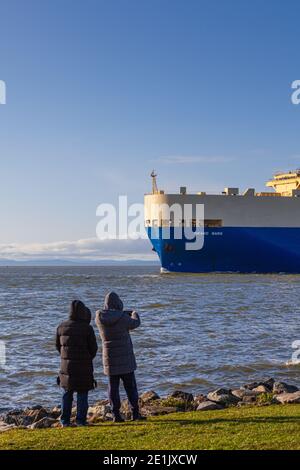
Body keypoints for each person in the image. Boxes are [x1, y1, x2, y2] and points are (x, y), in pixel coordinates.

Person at [96, 291, 145, 422]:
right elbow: (135, 323)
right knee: (131, 387)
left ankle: (116, 414)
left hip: (109, 359)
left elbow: (112, 316)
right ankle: (135, 413)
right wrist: (134, 313)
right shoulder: (123, 318)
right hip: (125, 359)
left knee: (112, 388)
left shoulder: (99, 318)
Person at [56, 300, 98, 427]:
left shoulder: (61, 327)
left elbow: (58, 347)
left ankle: (65, 421)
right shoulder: (87, 328)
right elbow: (93, 349)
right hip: (83, 366)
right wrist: (87, 358)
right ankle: (80, 420)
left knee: (66, 393)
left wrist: (65, 357)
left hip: (66, 367)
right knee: (82, 393)